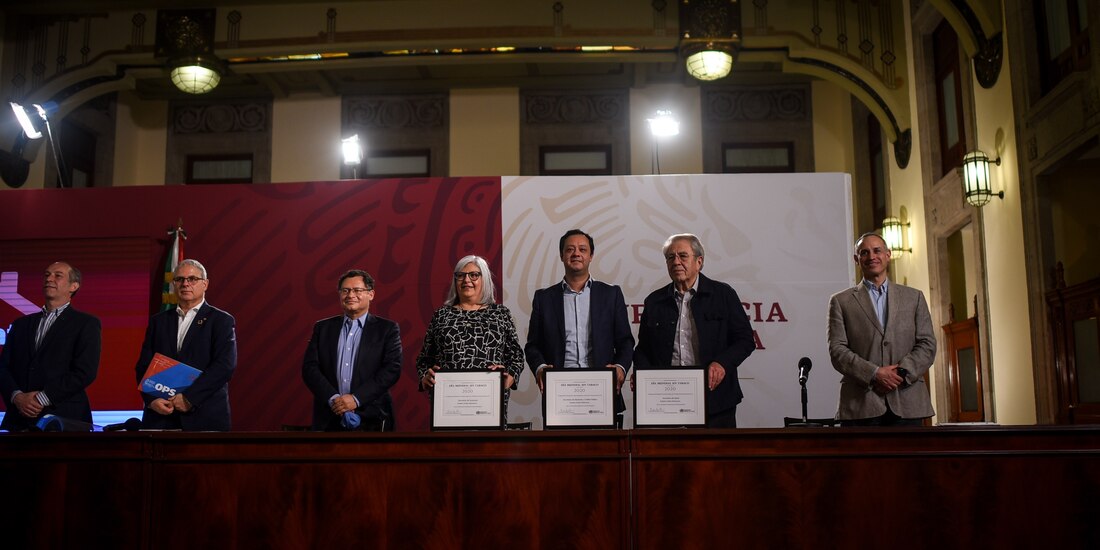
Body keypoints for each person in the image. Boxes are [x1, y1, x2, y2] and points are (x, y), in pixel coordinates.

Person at [633, 234, 755, 428]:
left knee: (716, 458)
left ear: (699, 261)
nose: (676, 262)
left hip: (715, 400)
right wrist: (643, 376)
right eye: (670, 258)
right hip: (667, 402)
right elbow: (643, 349)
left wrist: (722, 363)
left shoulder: (723, 294)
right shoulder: (654, 301)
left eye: (683, 256)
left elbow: (745, 340)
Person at [525, 229, 633, 427]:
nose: (576, 254)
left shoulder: (611, 294)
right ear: (561, 255)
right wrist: (540, 368)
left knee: (605, 454)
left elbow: (625, 342)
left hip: (602, 389)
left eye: (582, 249)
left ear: (591, 256)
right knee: (563, 454)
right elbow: (532, 346)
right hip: (560, 392)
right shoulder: (544, 299)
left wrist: (619, 368)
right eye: (570, 249)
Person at [828, 232, 936, 426]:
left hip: (908, 402)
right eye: (864, 252)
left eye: (877, 250)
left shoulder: (914, 297)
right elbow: (837, 350)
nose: (871, 256)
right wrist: (874, 374)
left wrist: (900, 374)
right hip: (860, 405)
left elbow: (927, 344)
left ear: (888, 254)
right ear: (856, 259)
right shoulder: (840, 301)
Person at [417, 255, 524, 426]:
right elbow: (424, 360)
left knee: (490, 452)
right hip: (448, 408)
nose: (467, 280)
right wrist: (425, 378)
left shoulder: (501, 314)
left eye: (474, 275)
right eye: (461, 275)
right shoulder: (441, 315)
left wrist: (509, 377)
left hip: (490, 405)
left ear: (485, 279)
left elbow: (516, 356)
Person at [135, 259, 236, 431]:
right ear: (174, 284)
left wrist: (189, 398)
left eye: (192, 279)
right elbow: (144, 365)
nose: (185, 284)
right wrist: (151, 401)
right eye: (179, 279)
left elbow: (224, 367)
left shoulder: (221, 320)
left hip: (204, 417)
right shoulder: (158, 322)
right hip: (161, 418)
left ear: (205, 284)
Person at [0, 262, 101, 431]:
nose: (49, 279)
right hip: (18, 420)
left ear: (73, 286)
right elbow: (3, 368)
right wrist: (17, 397)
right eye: (47, 275)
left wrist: (42, 398)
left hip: (64, 419)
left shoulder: (86, 323)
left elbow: (85, 372)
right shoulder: (20, 324)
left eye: (57, 275)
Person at [302, 270, 402, 431]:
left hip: (373, 418)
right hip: (330, 416)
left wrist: (356, 399)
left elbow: (392, 369)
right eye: (345, 290)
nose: (350, 295)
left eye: (357, 290)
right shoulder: (323, 328)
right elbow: (310, 368)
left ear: (371, 294)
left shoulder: (387, 329)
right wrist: (335, 400)